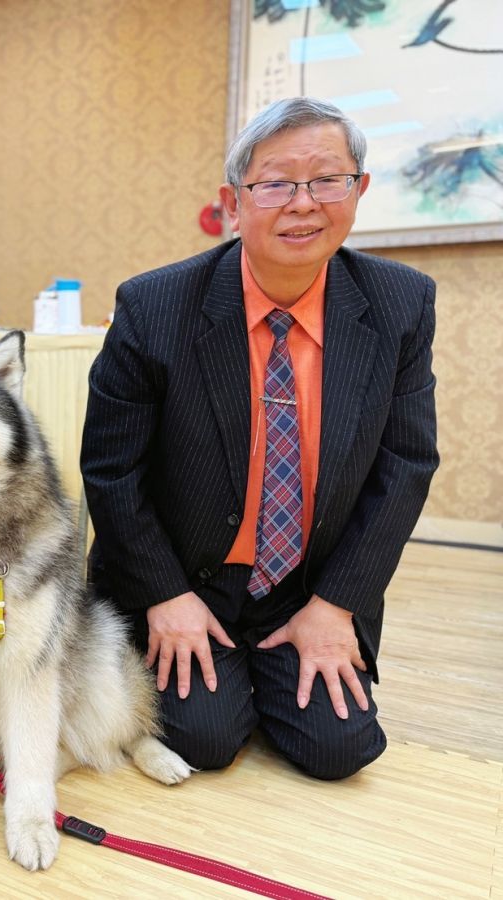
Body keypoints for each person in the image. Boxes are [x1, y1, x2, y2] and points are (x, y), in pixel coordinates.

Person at [81, 97, 438, 780]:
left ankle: (277, 656)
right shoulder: (154, 308)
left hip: (305, 583)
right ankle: (221, 673)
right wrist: (164, 596)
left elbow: (406, 466)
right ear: (234, 203)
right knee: (205, 740)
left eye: (327, 180)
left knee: (341, 749)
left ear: (358, 191)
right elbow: (110, 471)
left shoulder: (399, 305)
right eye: (275, 182)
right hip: (187, 577)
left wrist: (336, 608)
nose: (302, 203)